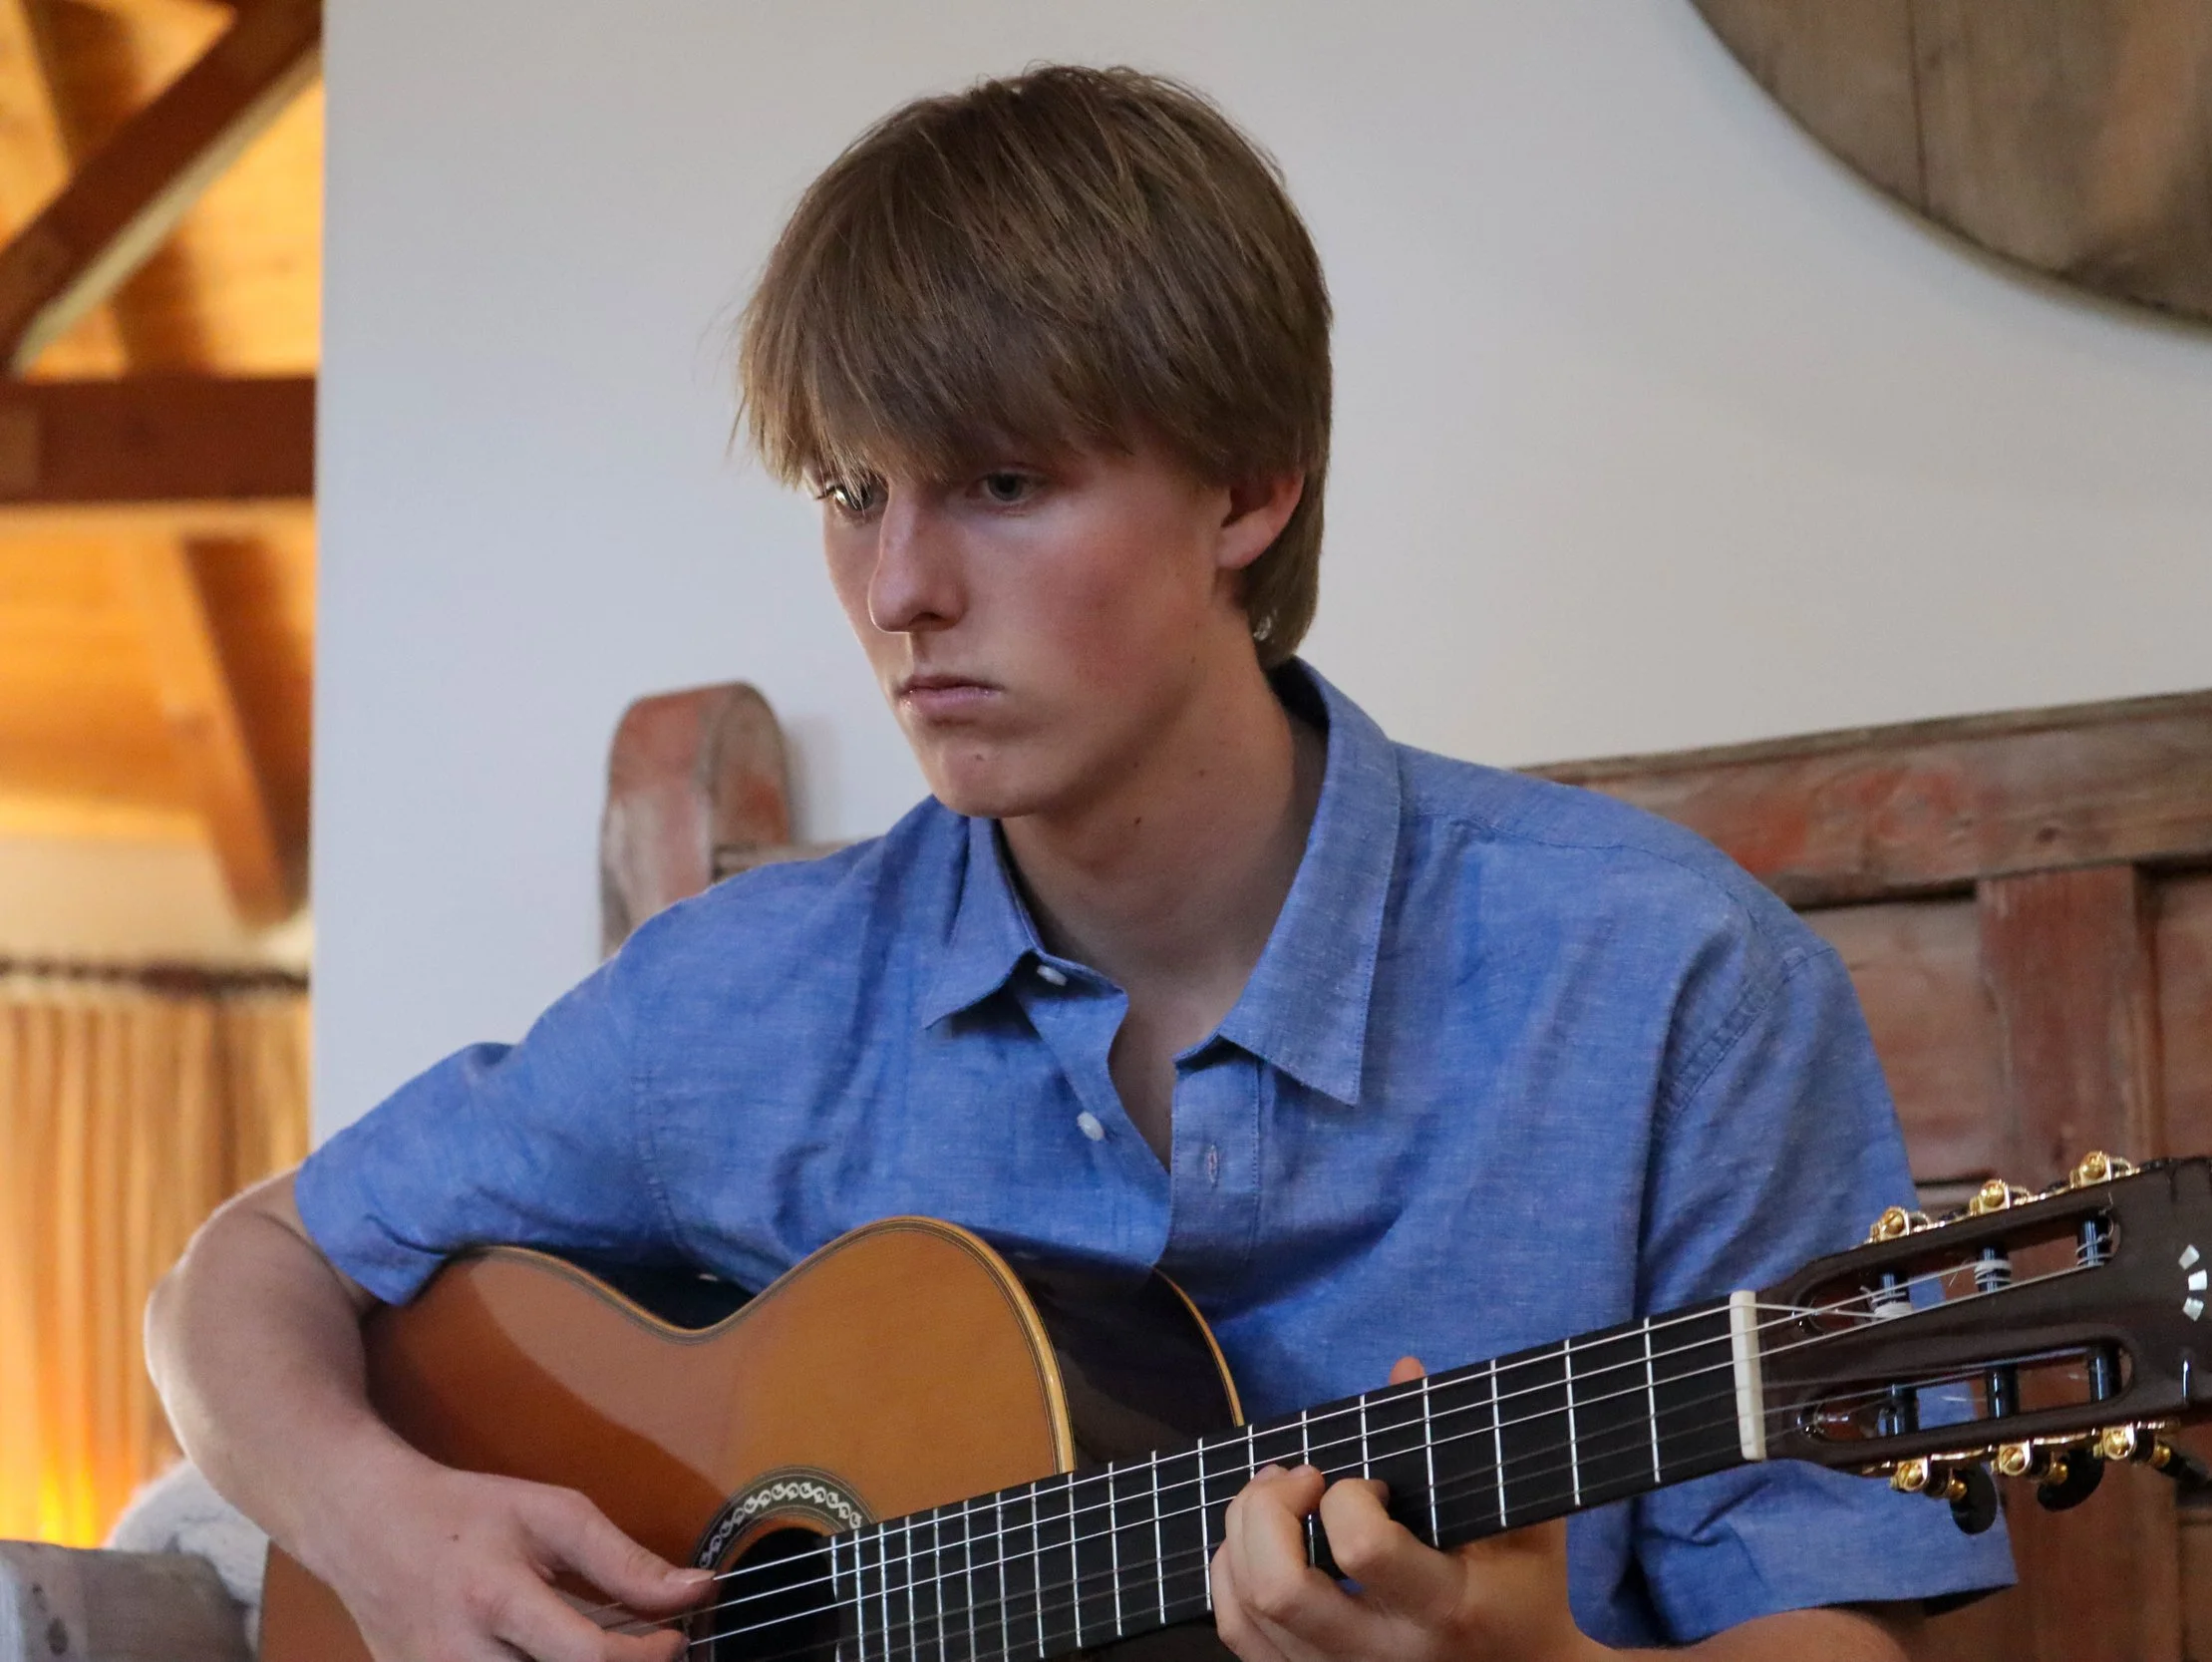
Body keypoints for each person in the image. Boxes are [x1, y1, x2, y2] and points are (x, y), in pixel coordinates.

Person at [150, 64, 2012, 1662]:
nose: (899, 592)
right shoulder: (742, 1003)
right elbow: (237, 1279)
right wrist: (385, 1527)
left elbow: (1828, 1608)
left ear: (1248, 484)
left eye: (1002, 484)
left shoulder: (1669, 980)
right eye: (854, 492)